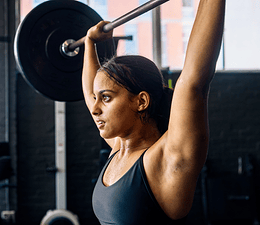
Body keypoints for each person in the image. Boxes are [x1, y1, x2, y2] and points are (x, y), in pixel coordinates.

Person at [82, 0, 226, 224]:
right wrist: (90, 44)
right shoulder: (120, 149)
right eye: (96, 98)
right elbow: (91, 93)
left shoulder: (166, 159)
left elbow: (194, 82)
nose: (95, 108)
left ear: (141, 101)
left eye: (106, 98)